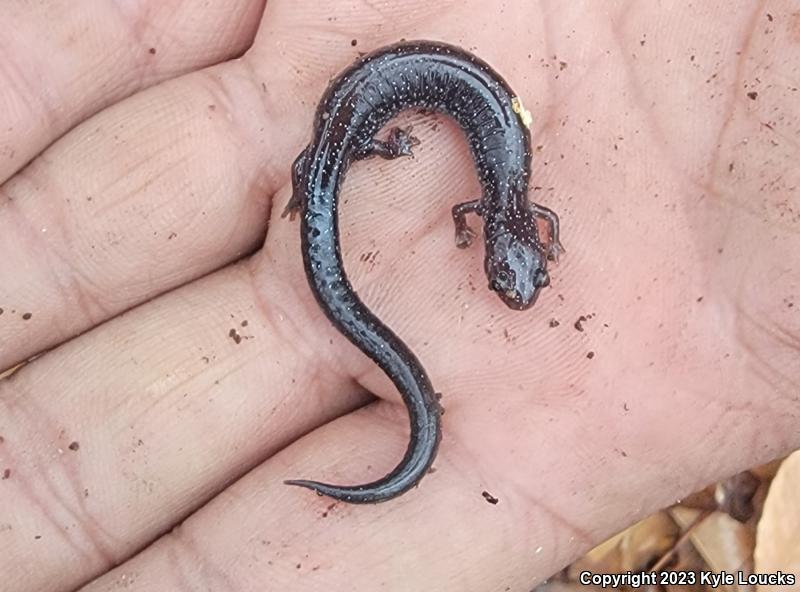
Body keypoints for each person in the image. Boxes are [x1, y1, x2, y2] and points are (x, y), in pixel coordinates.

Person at [0, 2, 797, 591]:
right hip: (360, 111)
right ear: (504, 241)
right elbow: (502, 213)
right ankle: (325, 189)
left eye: (511, 276)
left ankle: (325, 199)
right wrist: (386, 149)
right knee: (326, 167)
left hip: (365, 114)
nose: (510, 286)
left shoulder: (504, 206)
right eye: (504, 274)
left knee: (326, 171)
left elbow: (501, 214)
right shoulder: (508, 205)